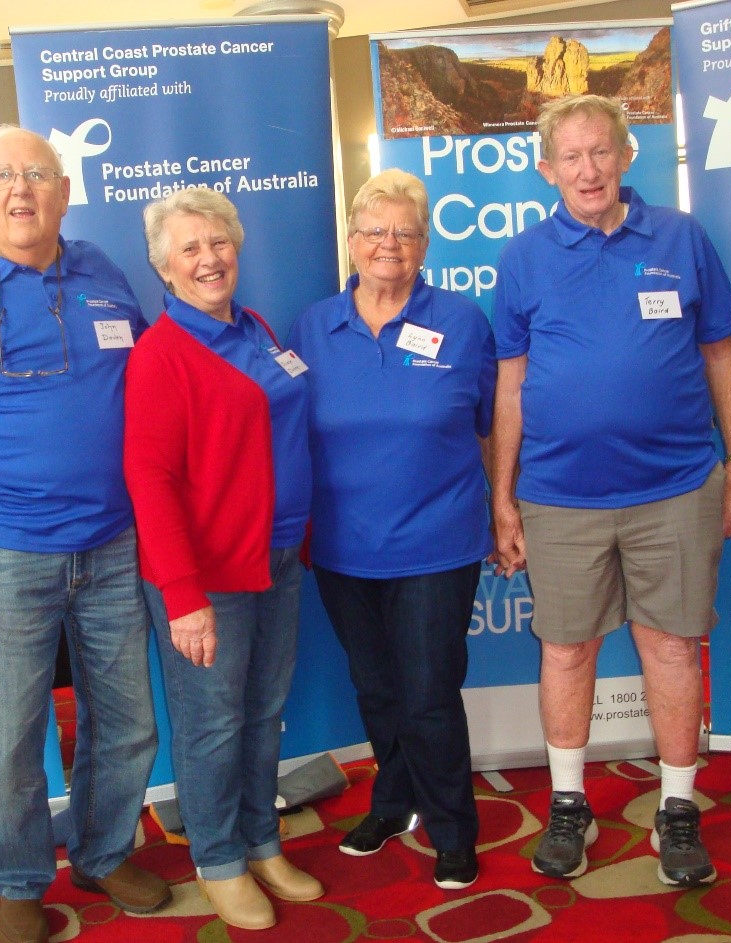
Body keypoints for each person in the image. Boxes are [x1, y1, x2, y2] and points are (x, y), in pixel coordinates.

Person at [0, 126, 169, 943]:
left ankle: (103, 850)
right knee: (10, 732)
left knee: (127, 719)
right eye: (4, 178)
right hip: (1, 552)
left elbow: (156, 386)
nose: (22, 191)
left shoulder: (104, 274)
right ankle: (18, 880)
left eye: (39, 176)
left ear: (64, 191)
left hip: (117, 542)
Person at [490, 94, 731, 889]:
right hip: (559, 495)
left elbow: (720, 354)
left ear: (625, 155)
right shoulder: (524, 257)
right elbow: (510, 383)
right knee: (566, 648)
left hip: (674, 486)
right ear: (546, 170)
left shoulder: (681, 238)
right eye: (570, 157)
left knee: (670, 644)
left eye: (600, 151)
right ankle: (569, 802)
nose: (587, 169)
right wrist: (502, 496)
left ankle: (677, 808)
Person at [288, 169, 496, 891]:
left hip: (438, 543)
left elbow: (495, 429)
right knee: (375, 687)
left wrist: (508, 511)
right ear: (350, 241)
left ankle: (452, 827)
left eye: (404, 232)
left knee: (429, 691)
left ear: (425, 243)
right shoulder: (313, 326)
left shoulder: (464, 321)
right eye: (374, 231)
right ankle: (394, 797)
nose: (388, 244)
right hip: (344, 546)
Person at [123, 187, 321, 932]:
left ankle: (261, 839)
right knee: (211, 723)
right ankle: (219, 858)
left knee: (264, 712)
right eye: (190, 249)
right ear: (164, 269)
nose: (209, 258)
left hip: (278, 557)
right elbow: (151, 479)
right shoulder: (161, 354)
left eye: (219, 243)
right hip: (207, 575)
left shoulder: (258, 327)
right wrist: (182, 593)